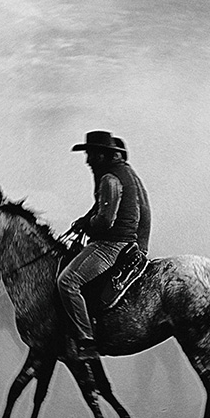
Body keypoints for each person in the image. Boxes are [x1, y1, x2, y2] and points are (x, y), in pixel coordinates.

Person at [58, 130, 151, 360]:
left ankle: (86, 341)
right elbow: (101, 207)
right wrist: (84, 220)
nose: (88, 161)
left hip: (111, 244)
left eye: (90, 154)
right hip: (125, 240)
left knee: (67, 282)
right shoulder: (122, 173)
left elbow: (105, 221)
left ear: (101, 155)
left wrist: (88, 226)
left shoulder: (109, 178)